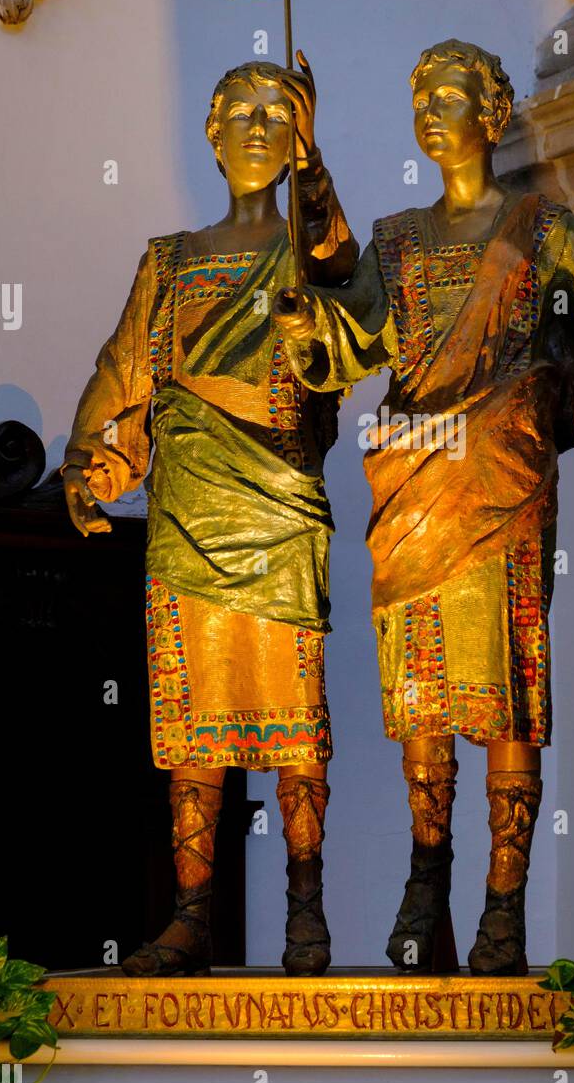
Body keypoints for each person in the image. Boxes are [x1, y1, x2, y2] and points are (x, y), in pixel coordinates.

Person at [275, 39, 574, 975]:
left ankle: (504, 908)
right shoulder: (399, 241)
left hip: (504, 482)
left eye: (452, 95)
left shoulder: (544, 228)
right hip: (412, 484)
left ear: (494, 114)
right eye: (422, 99)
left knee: (509, 686)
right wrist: (302, 317)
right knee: (424, 691)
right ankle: (425, 882)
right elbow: (353, 332)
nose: (434, 112)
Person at [62, 54, 357, 977]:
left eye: (280, 115)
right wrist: (87, 459)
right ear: (211, 133)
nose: (260, 129)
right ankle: (191, 914)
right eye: (242, 113)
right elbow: (124, 372)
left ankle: (304, 912)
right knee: (195, 718)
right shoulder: (172, 260)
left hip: (279, 503)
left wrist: (317, 169)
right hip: (189, 514)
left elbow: (354, 295)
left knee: (293, 717)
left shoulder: (309, 252)